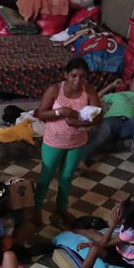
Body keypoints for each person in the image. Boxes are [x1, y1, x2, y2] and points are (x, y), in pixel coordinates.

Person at [33, 58, 102, 226]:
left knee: (67, 177)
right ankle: (36, 208)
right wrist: (60, 112)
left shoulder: (89, 90)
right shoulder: (55, 90)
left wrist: (77, 123)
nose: (78, 81)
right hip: (53, 141)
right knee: (46, 176)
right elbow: (40, 113)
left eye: (82, 77)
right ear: (66, 75)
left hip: (77, 142)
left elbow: (98, 117)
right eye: (74, 76)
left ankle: (61, 208)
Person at [45, 197, 134, 268]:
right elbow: (114, 239)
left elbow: (103, 244)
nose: (113, 211)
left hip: (126, 264)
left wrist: (112, 226)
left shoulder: (131, 233)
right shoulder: (133, 223)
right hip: (120, 252)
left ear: (123, 219)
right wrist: (90, 242)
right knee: (93, 233)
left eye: (116, 212)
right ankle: (69, 229)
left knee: (95, 248)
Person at [82, 70, 134, 172]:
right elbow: (96, 98)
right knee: (101, 136)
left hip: (127, 125)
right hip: (111, 120)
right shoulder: (119, 94)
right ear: (130, 82)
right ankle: (82, 159)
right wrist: (111, 86)